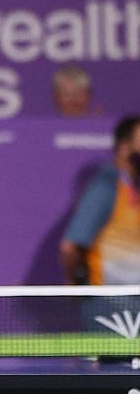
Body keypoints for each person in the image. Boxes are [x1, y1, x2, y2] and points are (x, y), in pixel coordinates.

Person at [60, 116, 140, 285]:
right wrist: (81, 287)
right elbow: (70, 248)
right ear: (125, 147)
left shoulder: (133, 186)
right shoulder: (105, 186)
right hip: (107, 301)